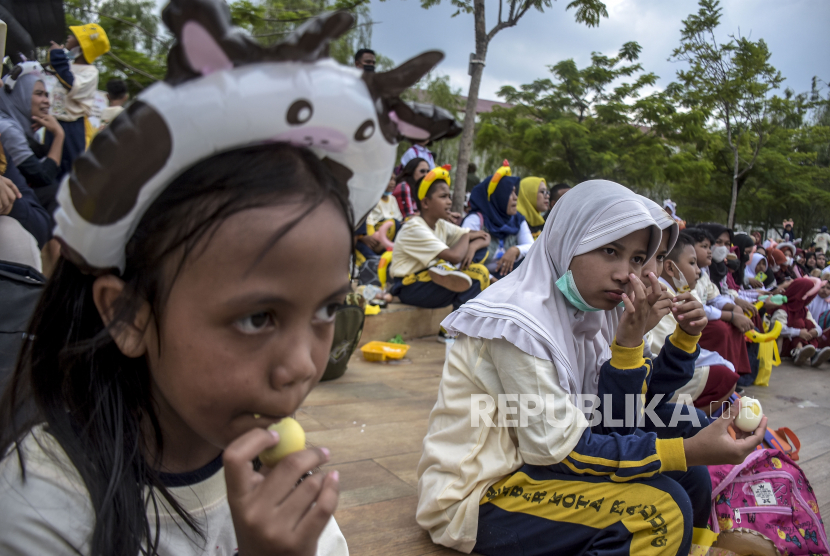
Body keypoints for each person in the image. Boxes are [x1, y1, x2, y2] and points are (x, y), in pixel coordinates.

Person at [0, 3, 451, 553]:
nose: (303, 366)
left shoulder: (284, 486)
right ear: (126, 314)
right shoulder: (41, 506)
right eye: (257, 317)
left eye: (328, 310)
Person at [417, 180, 766, 556]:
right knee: (660, 511)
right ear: (567, 241)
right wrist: (687, 448)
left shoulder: (593, 313)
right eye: (609, 250)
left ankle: (689, 549)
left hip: (539, 469)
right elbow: (559, 450)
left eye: (636, 258)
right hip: (483, 494)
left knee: (690, 472)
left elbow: (624, 415)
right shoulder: (519, 322)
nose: (625, 272)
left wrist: (678, 340)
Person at [652, 232, 738, 412]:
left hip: (657, 375)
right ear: (670, 268)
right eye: (692, 263)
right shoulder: (659, 295)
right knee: (724, 376)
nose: (698, 270)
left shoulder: (678, 289)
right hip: (648, 382)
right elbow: (659, 353)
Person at [389, 166, 490, 311]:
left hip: (429, 279)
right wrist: (467, 235)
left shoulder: (440, 224)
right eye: (443, 197)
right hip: (409, 286)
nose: (449, 202)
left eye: (449, 196)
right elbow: (455, 256)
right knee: (478, 275)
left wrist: (472, 246)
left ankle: (446, 272)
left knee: (478, 260)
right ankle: (453, 329)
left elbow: (485, 237)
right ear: (425, 203)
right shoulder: (414, 228)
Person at [685, 227, 753, 377]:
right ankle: (721, 375)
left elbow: (714, 297)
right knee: (721, 328)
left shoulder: (703, 272)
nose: (711, 251)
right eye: (704, 247)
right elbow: (696, 306)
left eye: (710, 246)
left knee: (736, 320)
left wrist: (733, 308)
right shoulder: (686, 274)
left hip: (703, 315)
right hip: (689, 321)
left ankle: (735, 373)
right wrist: (731, 315)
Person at [45, 23, 110, 176]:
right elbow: (57, 70)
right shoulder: (68, 65)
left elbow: (70, 82)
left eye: (74, 35)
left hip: (72, 127)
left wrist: (57, 56)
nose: (69, 36)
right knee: (48, 167)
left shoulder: (90, 72)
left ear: (83, 45)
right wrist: (55, 56)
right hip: (54, 121)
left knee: (69, 172)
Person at [0, 63, 65, 213]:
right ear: (18, 95)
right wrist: (59, 135)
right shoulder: (8, 129)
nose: (46, 101)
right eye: (39, 94)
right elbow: (43, 177)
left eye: (46, 95)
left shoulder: (24, 127)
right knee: (58, 193)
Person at [462, 164, 534, 279]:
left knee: (529, 262)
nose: (516, 197)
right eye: (510, 193)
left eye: (516, 192)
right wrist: (489, 279)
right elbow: (463, 255)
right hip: (480, 280)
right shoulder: (476, 219)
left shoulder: (517, 219)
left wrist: (515, 250)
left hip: (505, 278)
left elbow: (532, 247)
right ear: (498, 196)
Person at [771, 277, 830, 367]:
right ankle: (798, 351)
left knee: (809, 324)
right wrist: (798, 333)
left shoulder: (804, 310)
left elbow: (816, 326)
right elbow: (777, 329)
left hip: (801, 338)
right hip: (785, 345)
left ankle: (813, 353)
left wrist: (815, 331)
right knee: (799, 322)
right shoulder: (783, 309)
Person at [363, 173, 404, 251]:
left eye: (394, 179)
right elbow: (369, 222)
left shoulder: (392, 199)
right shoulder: (372, 199)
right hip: (376, 234)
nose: (393, 183)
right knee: (393, 222)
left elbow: (399, 220)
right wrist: (373, 240)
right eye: (389, 179)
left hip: (392, 233)